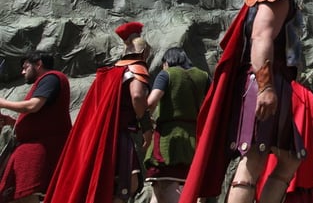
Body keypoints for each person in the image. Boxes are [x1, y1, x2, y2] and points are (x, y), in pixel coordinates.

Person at [180, 0, 313, 203]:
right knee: (254, 156)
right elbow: (260, 37)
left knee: (290, 158)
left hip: (270, 81)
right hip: (264, 81)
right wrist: (265, 87)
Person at [45, 21, 153, 203]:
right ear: (142, 52)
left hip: (100, 136)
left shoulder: (109, 73)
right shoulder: (136, 67)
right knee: (127, 185)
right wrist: (147, 127)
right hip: (119, 136)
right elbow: (136, 96)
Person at [0, 51, 71, 203]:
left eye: (26, 67)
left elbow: (33, 106)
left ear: (38, 64)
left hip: (41, 149)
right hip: (34, 147)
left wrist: (3, 103)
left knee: (29, 195)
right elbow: (40, 121)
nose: (22, 71)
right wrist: (11, 122)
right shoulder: (44, 82)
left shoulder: (51, 77)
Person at [143, 47, 210, 203]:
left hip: (169, 140)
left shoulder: (167, 74)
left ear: (167, 62)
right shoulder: (203, 76)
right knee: (167, 187)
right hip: (194, 138)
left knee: (165, 185)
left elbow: (151, 102)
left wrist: (145, 120)